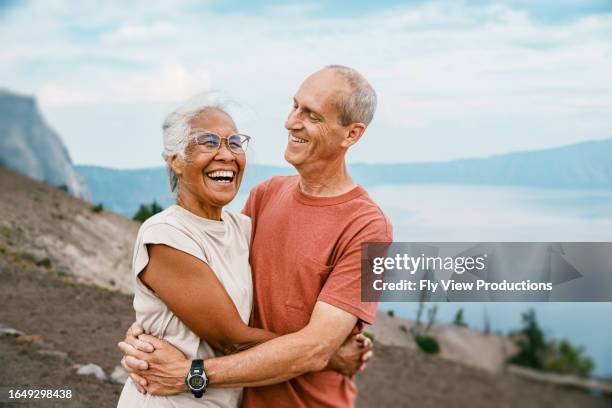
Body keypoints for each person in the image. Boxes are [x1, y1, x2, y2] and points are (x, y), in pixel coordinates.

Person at [119, 65, 393, 407]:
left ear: (351, 135)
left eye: (311, 115)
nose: (291, 122)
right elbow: (224, 316)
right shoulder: (266, 196)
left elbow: (314, 349)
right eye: (294, 106)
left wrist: (191, 372)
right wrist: (147, 330)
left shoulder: (369, 228)